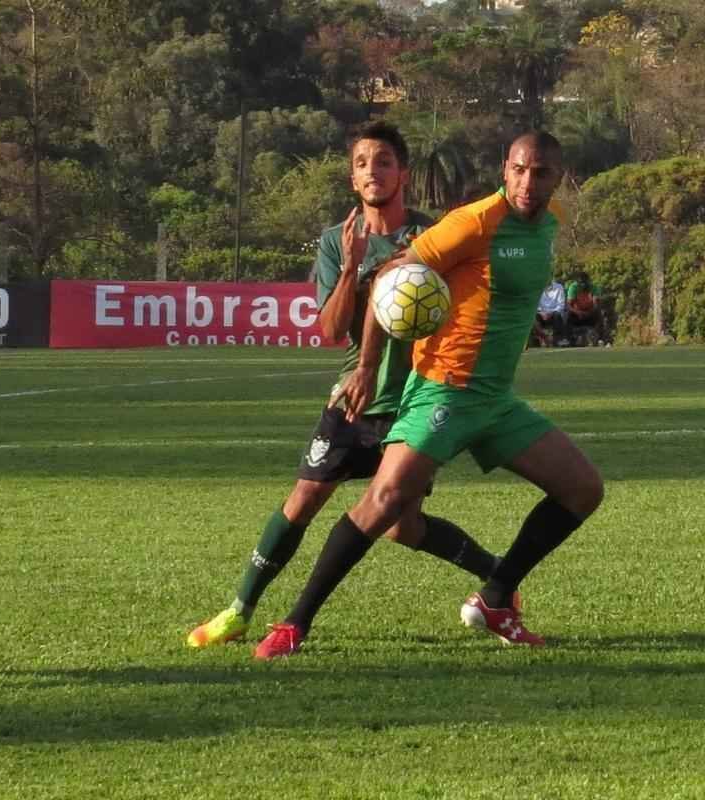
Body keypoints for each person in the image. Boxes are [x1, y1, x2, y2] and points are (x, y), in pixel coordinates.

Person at [254, 131, 604, 659]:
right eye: (518, 170)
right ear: (504, 170)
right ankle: (293, 624)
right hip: (444, 389)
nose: (527, 183)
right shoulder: (474, 221)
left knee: (582, 489)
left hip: (496, 400)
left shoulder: (548, 224)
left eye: (541, 173)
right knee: (385, 503)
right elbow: (390, 278)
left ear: (558, 177)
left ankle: (494, 598)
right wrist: (367, 367)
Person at [187, 122, 507, 649]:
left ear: (401, 172)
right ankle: (240, 608)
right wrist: (353, 267)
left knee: (404, 527)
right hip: (355, 397)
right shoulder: (339, 240)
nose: (372, 172)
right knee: (304, 497)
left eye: (382, 161)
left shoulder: (433, 236)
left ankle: (499, 574)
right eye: (361, 163)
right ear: (352, 178)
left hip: (414, 400)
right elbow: (332, 329)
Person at [566, 272, 609, 345]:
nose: (583, 285)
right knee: (567, 315)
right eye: (581, 283)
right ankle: (568, 339)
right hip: (577, 314)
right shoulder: (573, 287)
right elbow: (568, 305)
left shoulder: (594, 287)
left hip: (590, 312)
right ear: (577, 282)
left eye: (585, 282)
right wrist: (578, 312)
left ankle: (601, 339)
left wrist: (589, 312)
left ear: (588, 281)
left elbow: (596, 304)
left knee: (599, 313)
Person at [534, 277, 567, 347]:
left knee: (557, 315)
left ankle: (558, 340)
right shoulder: (537, 287)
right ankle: (542, 338)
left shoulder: (559, 287)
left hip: (554, 313)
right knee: (533, 317)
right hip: (541, 314)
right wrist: (542, 313)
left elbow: (561, 305)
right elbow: (536, 305)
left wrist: (550, 313)